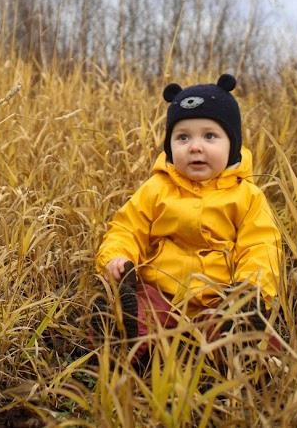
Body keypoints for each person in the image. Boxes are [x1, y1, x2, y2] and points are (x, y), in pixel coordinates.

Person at [93, 73, 282, 361]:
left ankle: (240, 345)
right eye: (183, 137)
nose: (195, 146)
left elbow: (262, 247)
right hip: (161, 292)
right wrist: (115, 258)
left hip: (221, 297)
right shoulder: (156, 189)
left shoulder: (247, 196)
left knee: (256, 339)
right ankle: (122, 335)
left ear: (232, 143)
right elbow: (127, 228)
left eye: (210, 136)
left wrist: (250, 289)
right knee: (141, 313)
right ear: (170, 146)